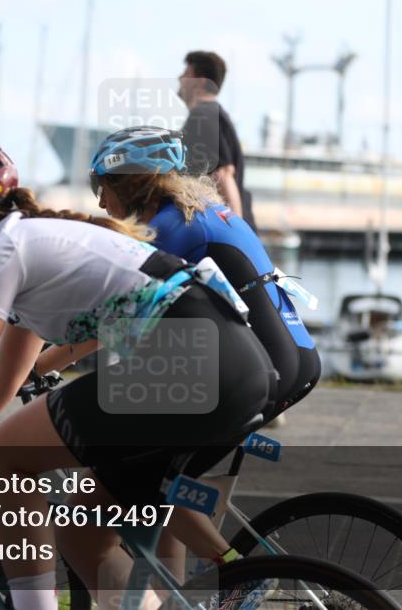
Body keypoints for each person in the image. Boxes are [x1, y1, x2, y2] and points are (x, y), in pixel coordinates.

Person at [0, 138, 277, 610]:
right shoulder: (27, 246)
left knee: (3, 453)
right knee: (80, 540)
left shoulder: (3, 254)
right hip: (230, 363)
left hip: (195, 362)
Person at [66, 125, 320, 593]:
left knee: (122, 483)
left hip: (264, 370)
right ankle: (181, 593)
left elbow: (117, 315)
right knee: (160, 480)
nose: (100, 203)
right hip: (294, 357)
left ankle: (243, 573)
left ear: (129, 183)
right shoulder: (204, 211)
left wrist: (44, 361)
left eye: (100, 186)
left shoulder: (168, 228)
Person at [178, 50, 256, 231]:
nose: (180, 78)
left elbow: (224, 174)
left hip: (227, 233)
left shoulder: (203, 115)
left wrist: (236, 235)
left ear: (201, 82)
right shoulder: (215, 114)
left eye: (186, 74)